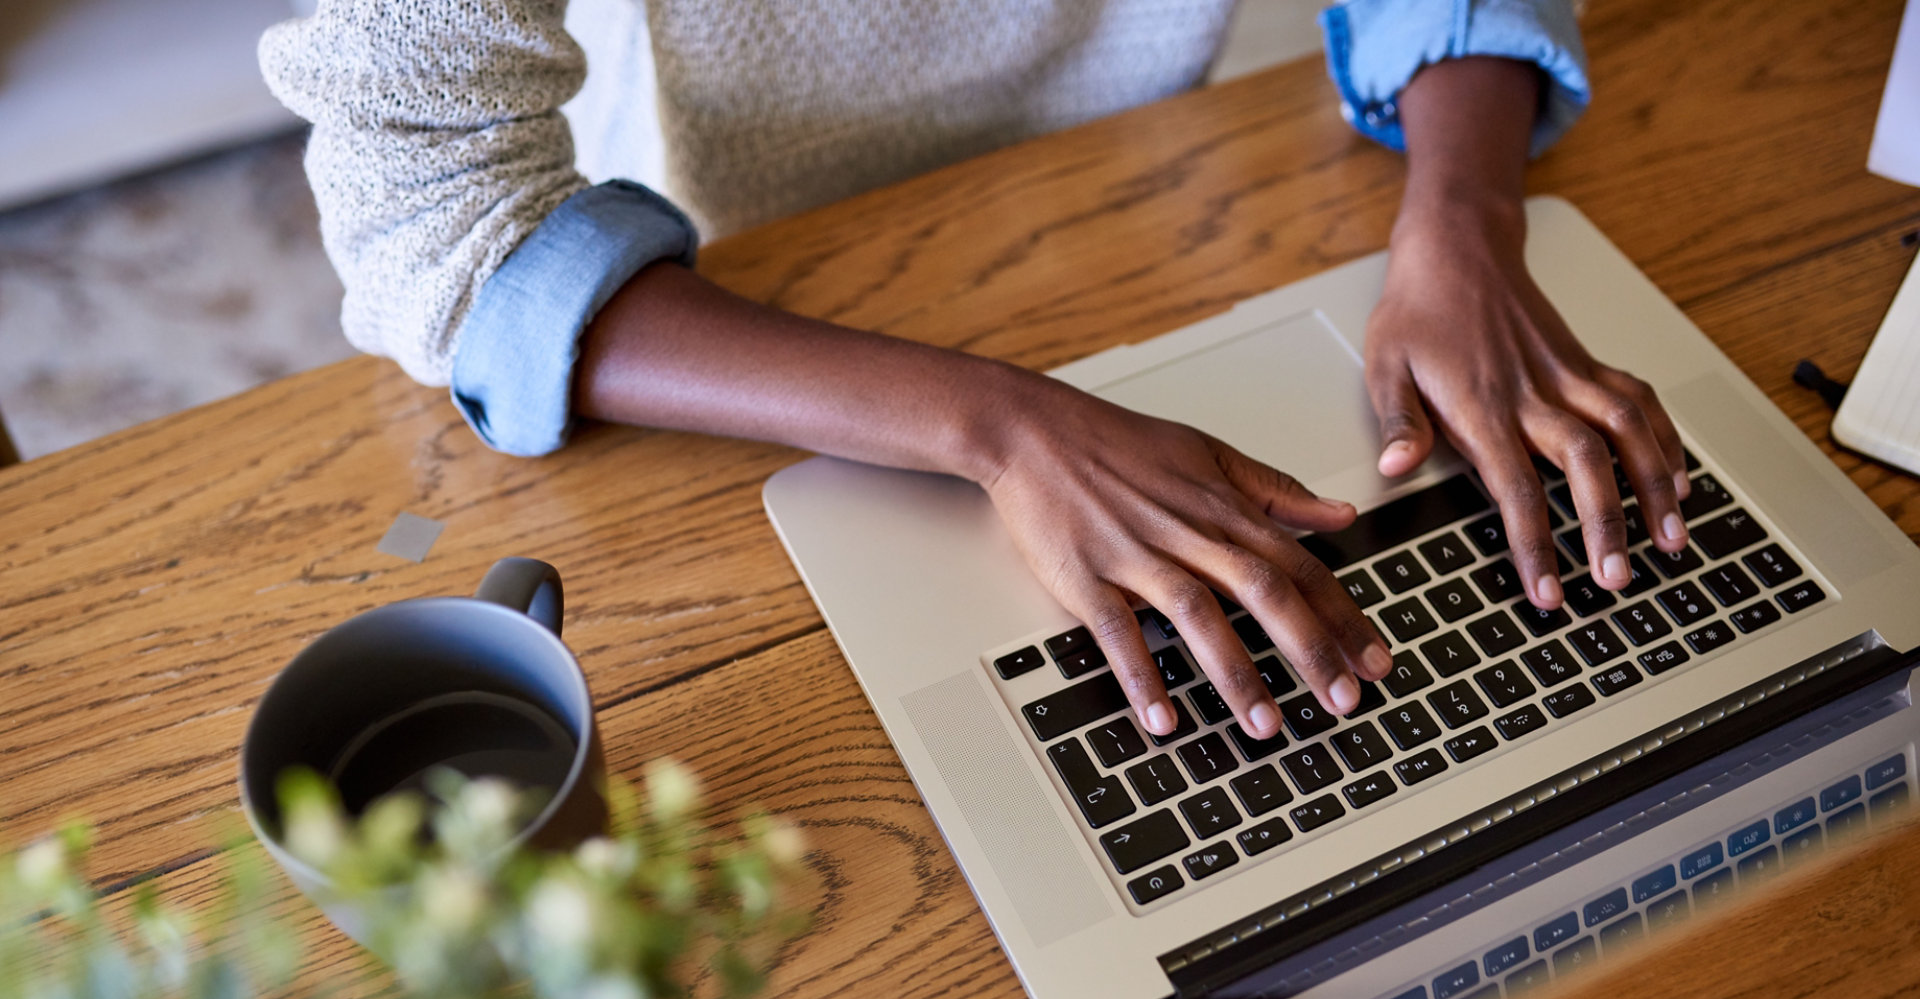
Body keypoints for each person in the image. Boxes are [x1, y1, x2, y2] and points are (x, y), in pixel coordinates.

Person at [261, 0, 1693, 746]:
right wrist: (1002, 429)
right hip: (757, 300)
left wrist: (1465, 216)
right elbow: (426, 214)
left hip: (1143, 187)